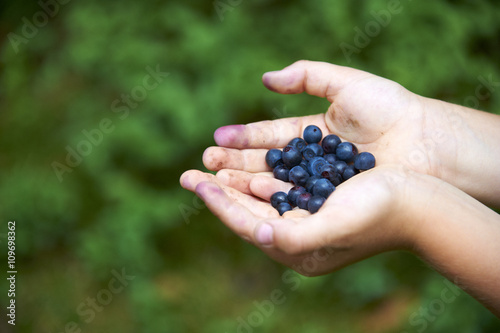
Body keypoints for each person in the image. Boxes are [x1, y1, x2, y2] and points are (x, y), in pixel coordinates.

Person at [180, 60, 500, 316]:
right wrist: (430, 132)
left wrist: (412, 213)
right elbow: (303, 177)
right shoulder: (307, 169)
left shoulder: (328, 164)